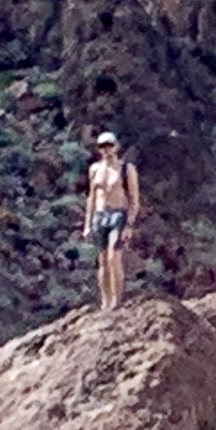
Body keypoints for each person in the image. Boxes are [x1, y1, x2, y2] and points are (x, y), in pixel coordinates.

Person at [83, 129, 145, 312]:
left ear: (116, 147)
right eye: (102, 146)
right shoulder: (94, 169)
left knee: (113, 258)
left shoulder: (127, 169)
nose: (106, 150)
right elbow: (91, 198)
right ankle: (105, 301)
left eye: (109, 145)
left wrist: (129, 224)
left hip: (118, 215)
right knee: (102, 260)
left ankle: (116, 301)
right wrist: (87, 224)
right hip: (100, 216)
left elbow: (134, 199)